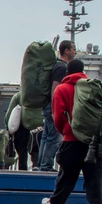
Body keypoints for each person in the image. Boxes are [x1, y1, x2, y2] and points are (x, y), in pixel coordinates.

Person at [41, 59, 102, 204]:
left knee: (67, 175)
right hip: (95, 141)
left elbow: (58, 117)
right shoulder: (94, 86)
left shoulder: (62, 88)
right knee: (94, 178)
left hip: (72, 139)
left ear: (67, 71)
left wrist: (67, 132)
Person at [36, 40, 77, 171]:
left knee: (46, 136)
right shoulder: (62, 67)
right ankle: (46, 166)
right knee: (54, 138)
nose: (75, 51)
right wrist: (56, 109)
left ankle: (41, 164)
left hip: (47, 105)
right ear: (66, 51)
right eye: (73, 49)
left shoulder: (56, 66)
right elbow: (55, 89)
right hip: (52, 106)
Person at [5, 91, 43, 171]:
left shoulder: (18, 96)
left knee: (22, 153)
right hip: (39, 128)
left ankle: (23, 170)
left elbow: (9, 114)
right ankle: (37, 167)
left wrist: (8, 129)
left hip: (21, 127)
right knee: (36, 149)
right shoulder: (42, 94)